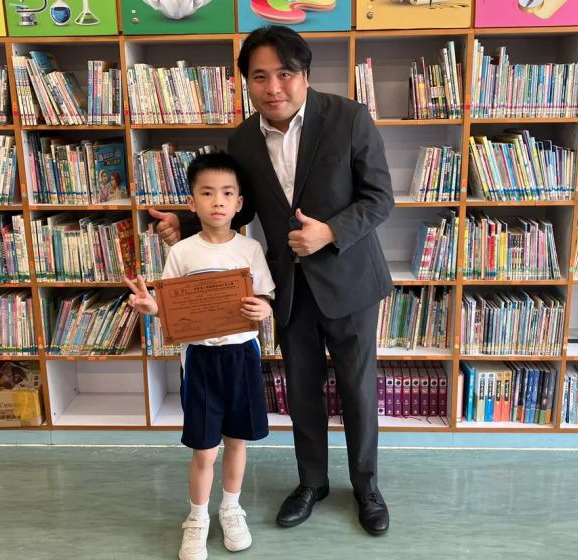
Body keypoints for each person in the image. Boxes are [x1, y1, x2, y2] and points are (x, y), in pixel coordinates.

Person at [149, 25, 394, 536]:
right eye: (259, 77)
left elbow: (379, 199)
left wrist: (330, 231)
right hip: (287, 287)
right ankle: (311, 482)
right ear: (247, 82)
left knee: (357, 390)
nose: (273, 87)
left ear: (305, 74)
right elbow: (240, 207)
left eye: (284, 74)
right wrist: (186, 223)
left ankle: (366, 486)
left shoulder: (349, 117)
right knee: (302, 389)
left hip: (350, 280)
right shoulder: (242, 139)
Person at [125, 152, 275, 560]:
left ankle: (231, 509)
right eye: (207, 193)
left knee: (237, 442)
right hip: (200, 360)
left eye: (226, 193)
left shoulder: (250, 249)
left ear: (239, 202)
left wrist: (264, 308)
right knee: (204, 449)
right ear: (192, 203)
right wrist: (152, 307)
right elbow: (170, 306)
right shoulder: (182, 252)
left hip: (242, 356)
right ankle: (196, 518)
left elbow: (264, 298)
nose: (217, 201)